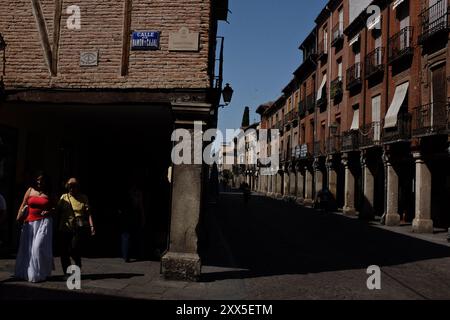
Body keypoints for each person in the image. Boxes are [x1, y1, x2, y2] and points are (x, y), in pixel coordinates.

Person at [14, 171, 55, 283]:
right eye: (37, 179)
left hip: (43, 223)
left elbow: (54, 208)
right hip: (29, 223)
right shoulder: (30, 190)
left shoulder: (49, 192)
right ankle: (26, 273)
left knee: (37, 247)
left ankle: (40, 273)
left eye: (41, 180)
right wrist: (18, 218)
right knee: (26, 249)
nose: (39, 182)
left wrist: (49, 212)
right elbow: (23, 204)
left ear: (46, 181)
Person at [57, 177, 95, 275]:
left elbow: (89, 213)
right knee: (64, 251)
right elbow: (57, 210)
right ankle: (67, 272)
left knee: (73, 248)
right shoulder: (64, 197)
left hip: (78, 228)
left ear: (77, 187)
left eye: (74, 186)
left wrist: (92, 226)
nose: (72, 188)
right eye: (70, 186)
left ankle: (77, 262)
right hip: (64, 228)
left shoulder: (83, 198)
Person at [118, 179, 145, 263]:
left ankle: (126, 256)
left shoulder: (124, 193)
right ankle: (136, 254)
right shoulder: (138, 194)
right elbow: (140, 207)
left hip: (126, 216)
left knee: (125, 236)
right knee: (133, 235)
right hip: (134, 215)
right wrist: (143, 217)